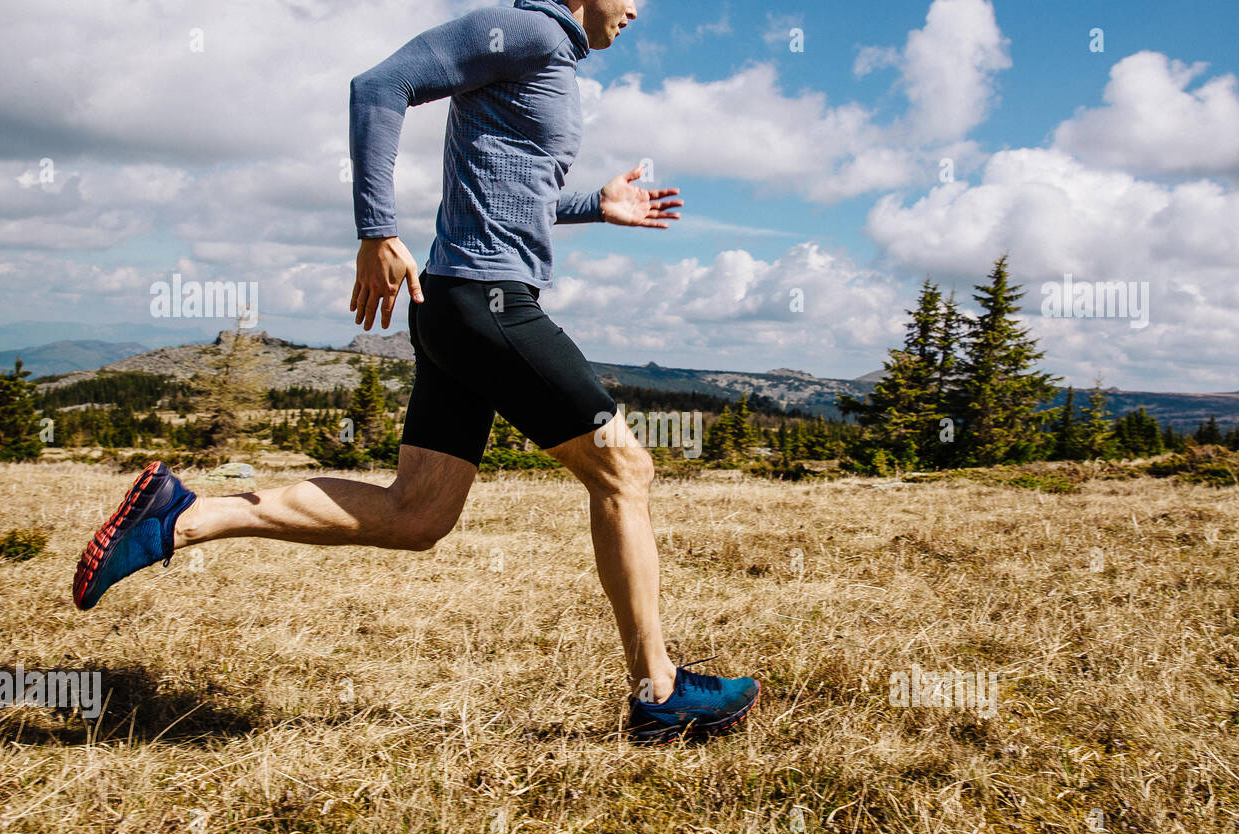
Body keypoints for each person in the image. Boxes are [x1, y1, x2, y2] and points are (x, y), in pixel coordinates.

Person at [73, 0, 758, 744]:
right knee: (624, 469)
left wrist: (597, 204)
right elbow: (379, 85)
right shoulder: (525, 29)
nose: (637, 8)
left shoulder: (546, 55)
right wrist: (377, 229)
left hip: (461, 306)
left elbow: (507, 192)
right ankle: (658, 692)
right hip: (485, 303)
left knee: (417, 514)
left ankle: (182, 516)